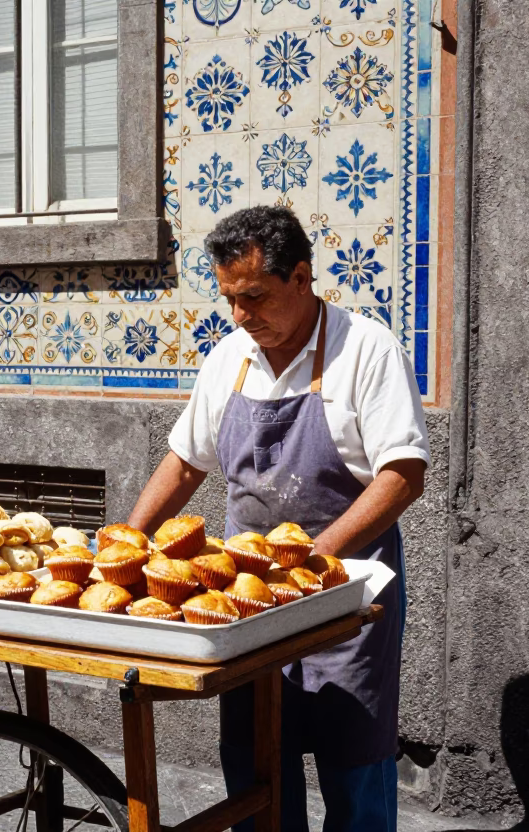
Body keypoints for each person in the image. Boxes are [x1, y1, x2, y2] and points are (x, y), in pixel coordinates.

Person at [126, 206, 429, 831]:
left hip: (344, 595)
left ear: (301, 277)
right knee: (257, 759)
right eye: (230, 299)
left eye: (255, 297)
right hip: (249, 604)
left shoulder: (366, 349)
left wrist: (315, 561)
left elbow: (403, 475)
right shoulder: (229, 358)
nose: (241, 316)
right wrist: (127, 542)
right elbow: (184, 464)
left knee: (354, 763)